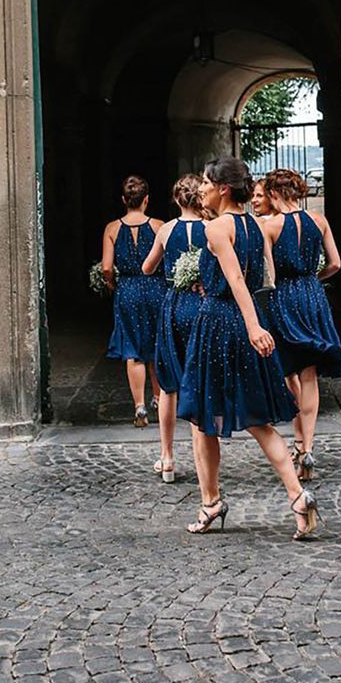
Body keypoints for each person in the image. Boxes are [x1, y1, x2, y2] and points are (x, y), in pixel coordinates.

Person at [178, 156, 319, 540]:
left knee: (201, 416)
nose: (202, 188)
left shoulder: (217, 228)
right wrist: (255, 321)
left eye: (207, 182)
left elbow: (237, 278)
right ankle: (298, 497)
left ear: (223, 188)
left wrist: (253, 325)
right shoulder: (255, 226)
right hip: (245, 320)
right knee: (259, 420)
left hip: (220, 324)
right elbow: (262, 276)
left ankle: (211, 503)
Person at [263, 169, 341, 483]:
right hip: (312, 295)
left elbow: (268, 275)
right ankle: (307, 446)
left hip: (284, 297)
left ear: (273, 193)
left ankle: (297, 440)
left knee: (288, 371)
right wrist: (313, 279)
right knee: (309, 374)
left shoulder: (268, 226)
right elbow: (335, 263)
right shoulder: (319, 221)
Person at [142, 174, 207, 483]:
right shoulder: (212, 229)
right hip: (204, 307)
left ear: (178, 200)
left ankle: (167, 458)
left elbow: (147, 267)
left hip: (175, 305)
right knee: (199, 377)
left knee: (169, 384)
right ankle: (202, 456)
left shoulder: (166, 230)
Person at [103, 175, 167, 427]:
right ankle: (160, 400)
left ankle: (139, 407)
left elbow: (107, 268)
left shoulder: (112, 228)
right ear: (147, 200)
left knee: (133, 349)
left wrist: (111, 284)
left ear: (123, 200)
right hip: (155, 289)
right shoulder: (159, 226)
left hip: (128, 289)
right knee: (157, 345)